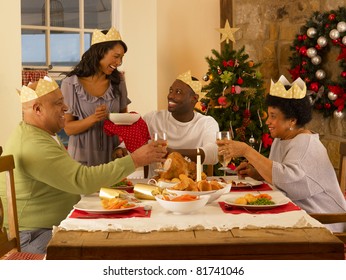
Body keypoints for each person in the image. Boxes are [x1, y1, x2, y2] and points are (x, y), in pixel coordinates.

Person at [0, 76, 167, 254]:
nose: (66, 107)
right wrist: (135, 160)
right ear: (38, 109)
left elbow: (78, 179)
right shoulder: (33, 144)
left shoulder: (36, 134)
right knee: (111, 250)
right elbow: (82, 180)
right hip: (33, 236)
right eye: (58, 103)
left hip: (48, 227)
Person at [217, 75, 346, 232]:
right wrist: (258, 173)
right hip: (298, 216)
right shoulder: (282, 139)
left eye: (273, 116)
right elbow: (280, 174)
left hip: (324, 224)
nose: (267, 122)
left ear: (292, 120)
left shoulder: (306, 144)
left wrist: (246, 150)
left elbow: (288, 181)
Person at [61, 27, 130, 166]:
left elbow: (124, 121)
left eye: (121, 58)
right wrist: (94, 118)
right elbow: (68, 128)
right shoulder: (71, 84)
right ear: (100, 52)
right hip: (81, 159)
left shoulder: (118, 82)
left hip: (112, 157)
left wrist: (121, 148)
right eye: (116, 56)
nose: (119, 63)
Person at [142, 70, 220, 178]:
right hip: (156, 187)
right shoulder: (152, 119)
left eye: (178, 92)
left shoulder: (206, 123)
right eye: (171, 90)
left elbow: (213, 153)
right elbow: (128, 145)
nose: (170, 96)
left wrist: (174, 153)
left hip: (192, 187)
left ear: (194, 98)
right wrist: (120, 149)